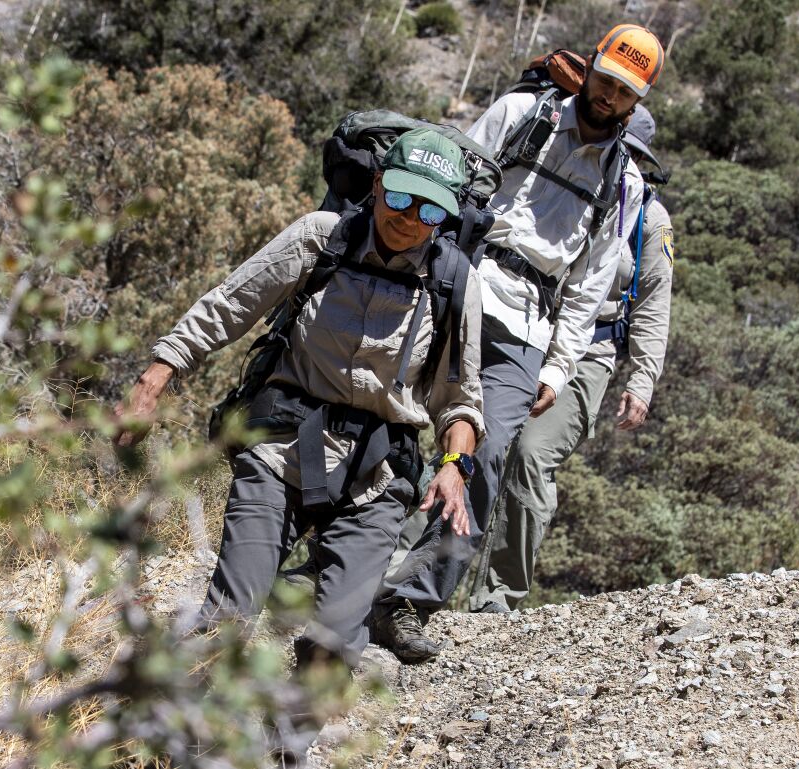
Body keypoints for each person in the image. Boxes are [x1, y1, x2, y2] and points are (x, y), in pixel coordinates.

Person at [115, 128, 485, 763]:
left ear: (447, 215)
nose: (408, 218)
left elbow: (460, 398)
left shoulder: (454, 281)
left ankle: (285, 751)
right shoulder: (321, 238)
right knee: (233, 611)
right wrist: (159, 371)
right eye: (399, 197)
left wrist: (454, 463)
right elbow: (229, 305)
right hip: (281, 450)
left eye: (430, 209)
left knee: (337, 640)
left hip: (376, 475)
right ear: (376, 186)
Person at [370, 23, 665, 663]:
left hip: (530, 317)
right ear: (591, 69)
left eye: (625, 93)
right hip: (458, 280)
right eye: (607, 80)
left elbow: (589, 285)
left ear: (638, 103)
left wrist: (558, 370)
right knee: (379, 412)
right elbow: (447, 189)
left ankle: (407, 601)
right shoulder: (520, 113)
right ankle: (340, 557)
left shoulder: (625, 183)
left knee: (489, 453)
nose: (610, 96)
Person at [471, 104, 675, 614]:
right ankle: (410, 576)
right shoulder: (558, 172)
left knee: (532, 456)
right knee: (473, 438)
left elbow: (653, 302)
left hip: (590, 353)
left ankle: (498, 597)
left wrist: (643, 380)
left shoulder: (648, 218)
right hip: (524, 323)